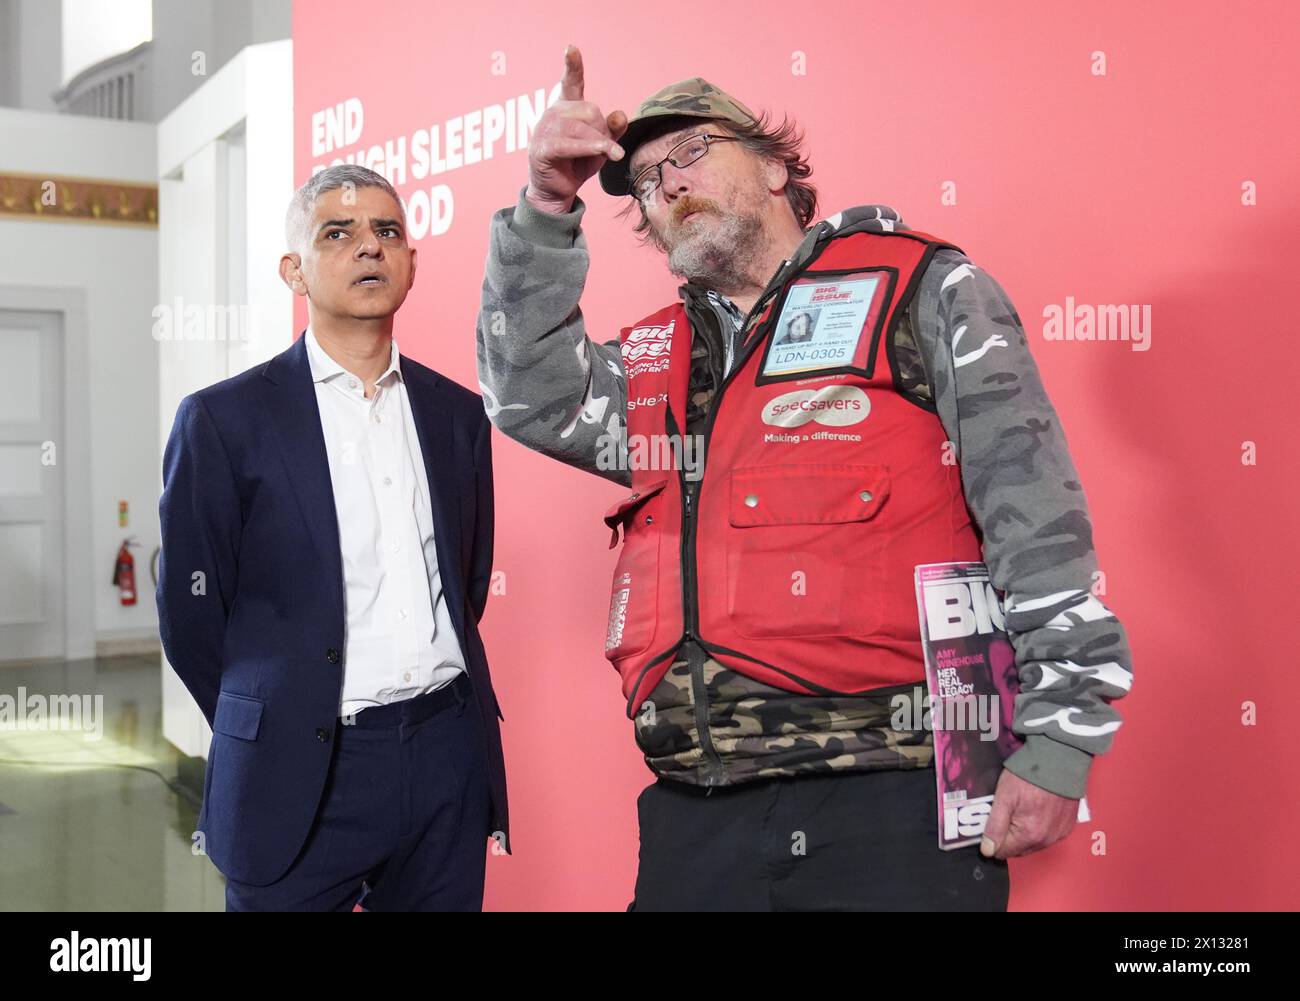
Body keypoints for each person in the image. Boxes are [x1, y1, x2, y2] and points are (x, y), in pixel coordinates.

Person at [477, 46, 1132, 911]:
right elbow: (527, 390)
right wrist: (547, 205)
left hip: (890, 808)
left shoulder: (921, 288)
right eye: (642, 180)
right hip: (692, 819)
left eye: (694, 151)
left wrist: (1060, 739)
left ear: (779, 163)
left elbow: (1034, 516)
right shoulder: (652, 361)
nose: (667, 183)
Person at [158, 164, 507, 911]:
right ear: (295, 270)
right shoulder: (223, 421)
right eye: (338, 233)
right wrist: (268, 716)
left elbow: (466, 579)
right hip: (297, 771)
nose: (369, 248)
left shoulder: (457, 416)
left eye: (388, 232)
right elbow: (191, 614)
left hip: (446, 754)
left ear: (412, 260)